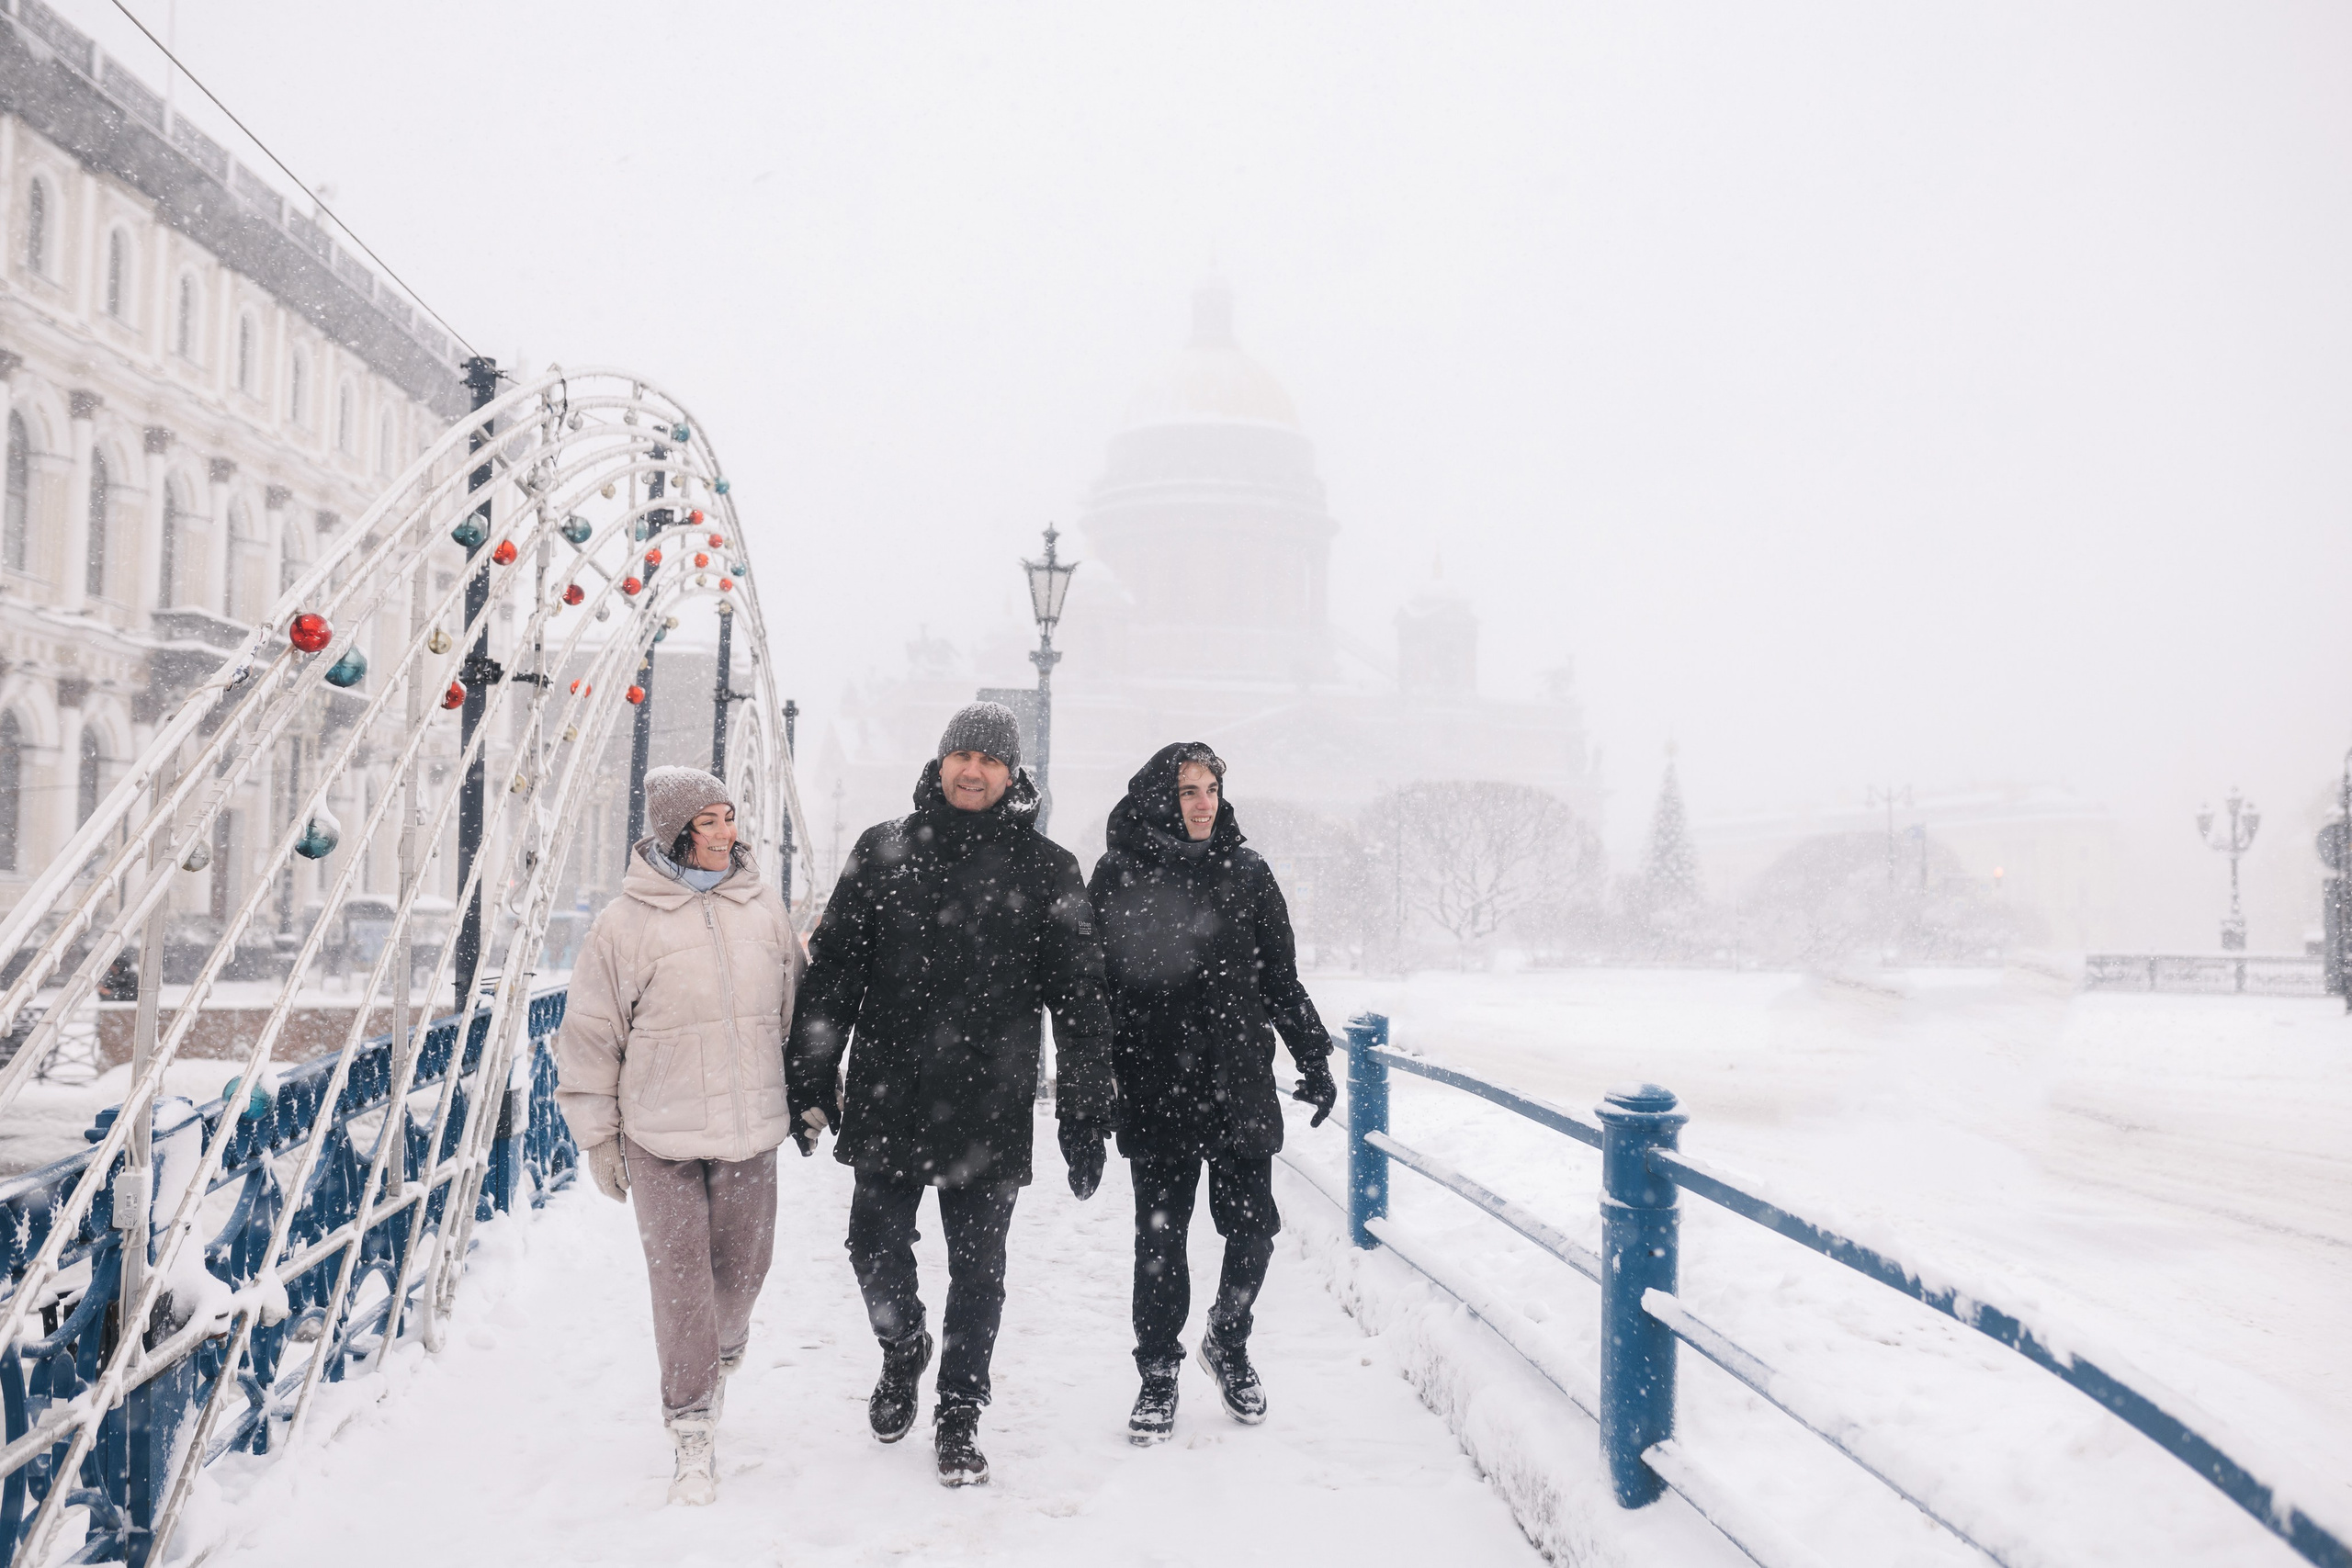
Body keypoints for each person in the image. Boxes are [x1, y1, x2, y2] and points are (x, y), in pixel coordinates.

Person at [786, 702, 1115, 1488]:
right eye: (960, 755)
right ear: (939, 763)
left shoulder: (1048, 870)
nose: (973, 770)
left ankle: (960, 1412)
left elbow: (1081, 1004)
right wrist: (810, 1075)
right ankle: (903, 1349)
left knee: (980, 1272)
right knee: (872, 1246)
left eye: (990, 760)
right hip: (889, 1092)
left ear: (1012, 775)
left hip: (989, 1104)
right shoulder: (883, 851)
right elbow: (833, 976)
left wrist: (1084, 1113)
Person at [552, 767, 802, 1506]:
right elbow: (591, 1032)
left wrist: (815, 1093)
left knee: (743, 1270)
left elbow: (795, 1011)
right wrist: (598, 1134)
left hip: (751, 1128)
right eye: (711, 821)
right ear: (675, 833)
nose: (729, 832)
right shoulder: (623, 926)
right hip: (657, 1133)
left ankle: (724, 1348)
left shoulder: (764, 910)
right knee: (681, 1277)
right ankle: (691, 1424)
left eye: (730, 817)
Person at [1086, 742, 1336, 1444]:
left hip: (1237, 1081)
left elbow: (1280, 979)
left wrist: (1313, 1054)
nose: (1203, 803)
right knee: (1160, 1240)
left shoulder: (1248, 872)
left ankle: (1228, 1337)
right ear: (1160, 797)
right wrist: (1091, 1085)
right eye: (1188, 790)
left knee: (1253, 1228)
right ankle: (1158, 1371)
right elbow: (1093, 992)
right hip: (1156, 1080)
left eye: (1212, 789)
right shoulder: (1119, 874)